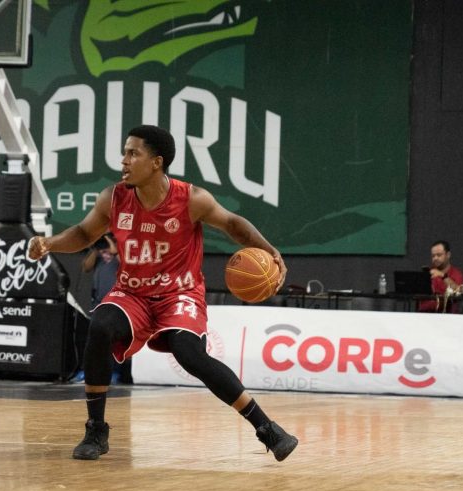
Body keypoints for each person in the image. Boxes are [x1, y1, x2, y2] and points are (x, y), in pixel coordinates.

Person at [29, 125, 298, 462]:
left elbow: (232, 224)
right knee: (100, 326)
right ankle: (96, 429)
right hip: (133, 293)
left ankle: (267, 428)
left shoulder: (192, 199)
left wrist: (270, 250)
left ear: (156, 162)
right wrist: (49, 243)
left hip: (179, 293)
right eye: (125, 153)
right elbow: (84, 233)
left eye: (133, 153)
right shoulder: (113, 198)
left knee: (189, 353)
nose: (124, 160)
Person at [72, 233, 123, 383]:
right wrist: (95, 248)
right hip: (98, 302)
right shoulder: (98, 252)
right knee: (93, 339)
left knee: (114, 340)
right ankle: (86, 371)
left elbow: (126, 264)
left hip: (117, 301)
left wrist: (114, 248)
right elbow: (86, 267)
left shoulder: (122, 249)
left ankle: (114, 372)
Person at [418, 240, 463, 313]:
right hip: (425, 315)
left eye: (439, 255)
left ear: (448, 255)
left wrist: (443, 276)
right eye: (433, 256)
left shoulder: (456, 273)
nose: (435, 258)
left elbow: (460, 292)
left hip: (447, 315)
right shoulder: (428, 273)